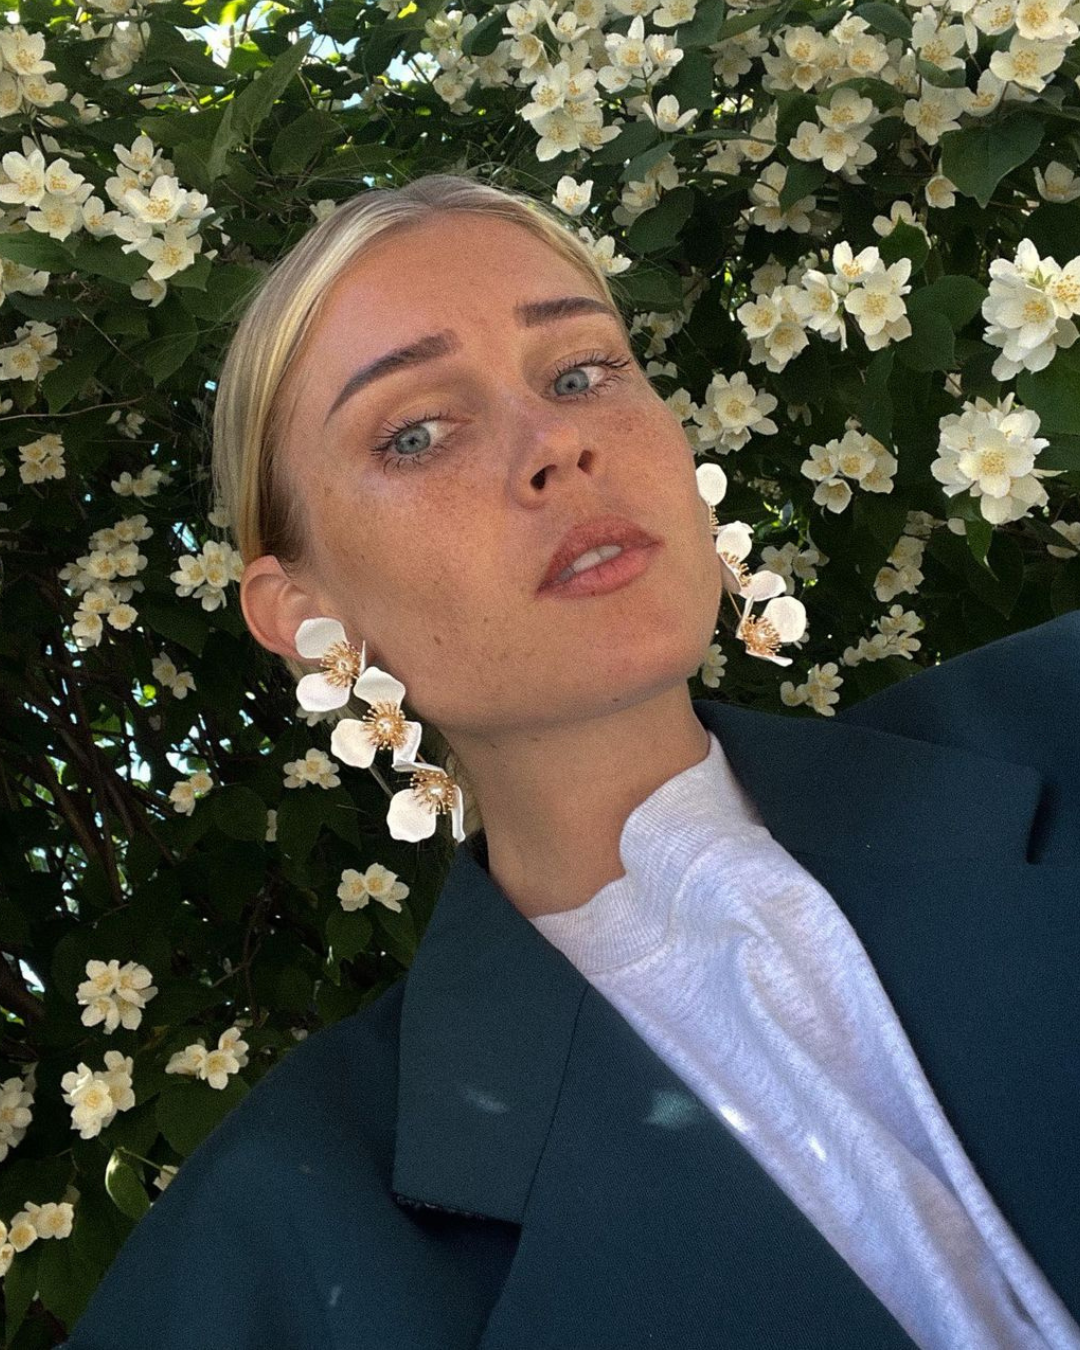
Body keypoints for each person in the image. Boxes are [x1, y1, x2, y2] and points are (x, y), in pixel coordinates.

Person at [63, 173, 1080, 1350]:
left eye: (583, 371)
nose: (556, 442)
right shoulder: (275, 1257)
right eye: (416, 433)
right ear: (307, 616)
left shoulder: (1055, 717)